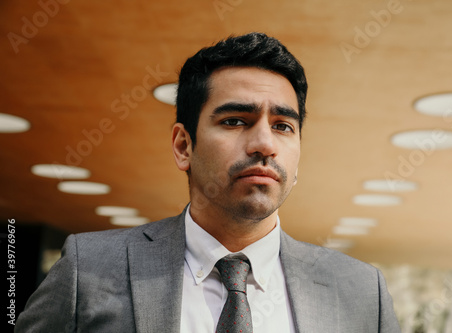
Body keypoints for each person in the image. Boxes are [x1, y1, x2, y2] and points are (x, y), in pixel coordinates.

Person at [15, 32, 401, 332]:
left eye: (283, 126)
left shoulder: (361, 291)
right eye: (235, 120)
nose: (266, 143)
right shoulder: (90, 271)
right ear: (184, 146)